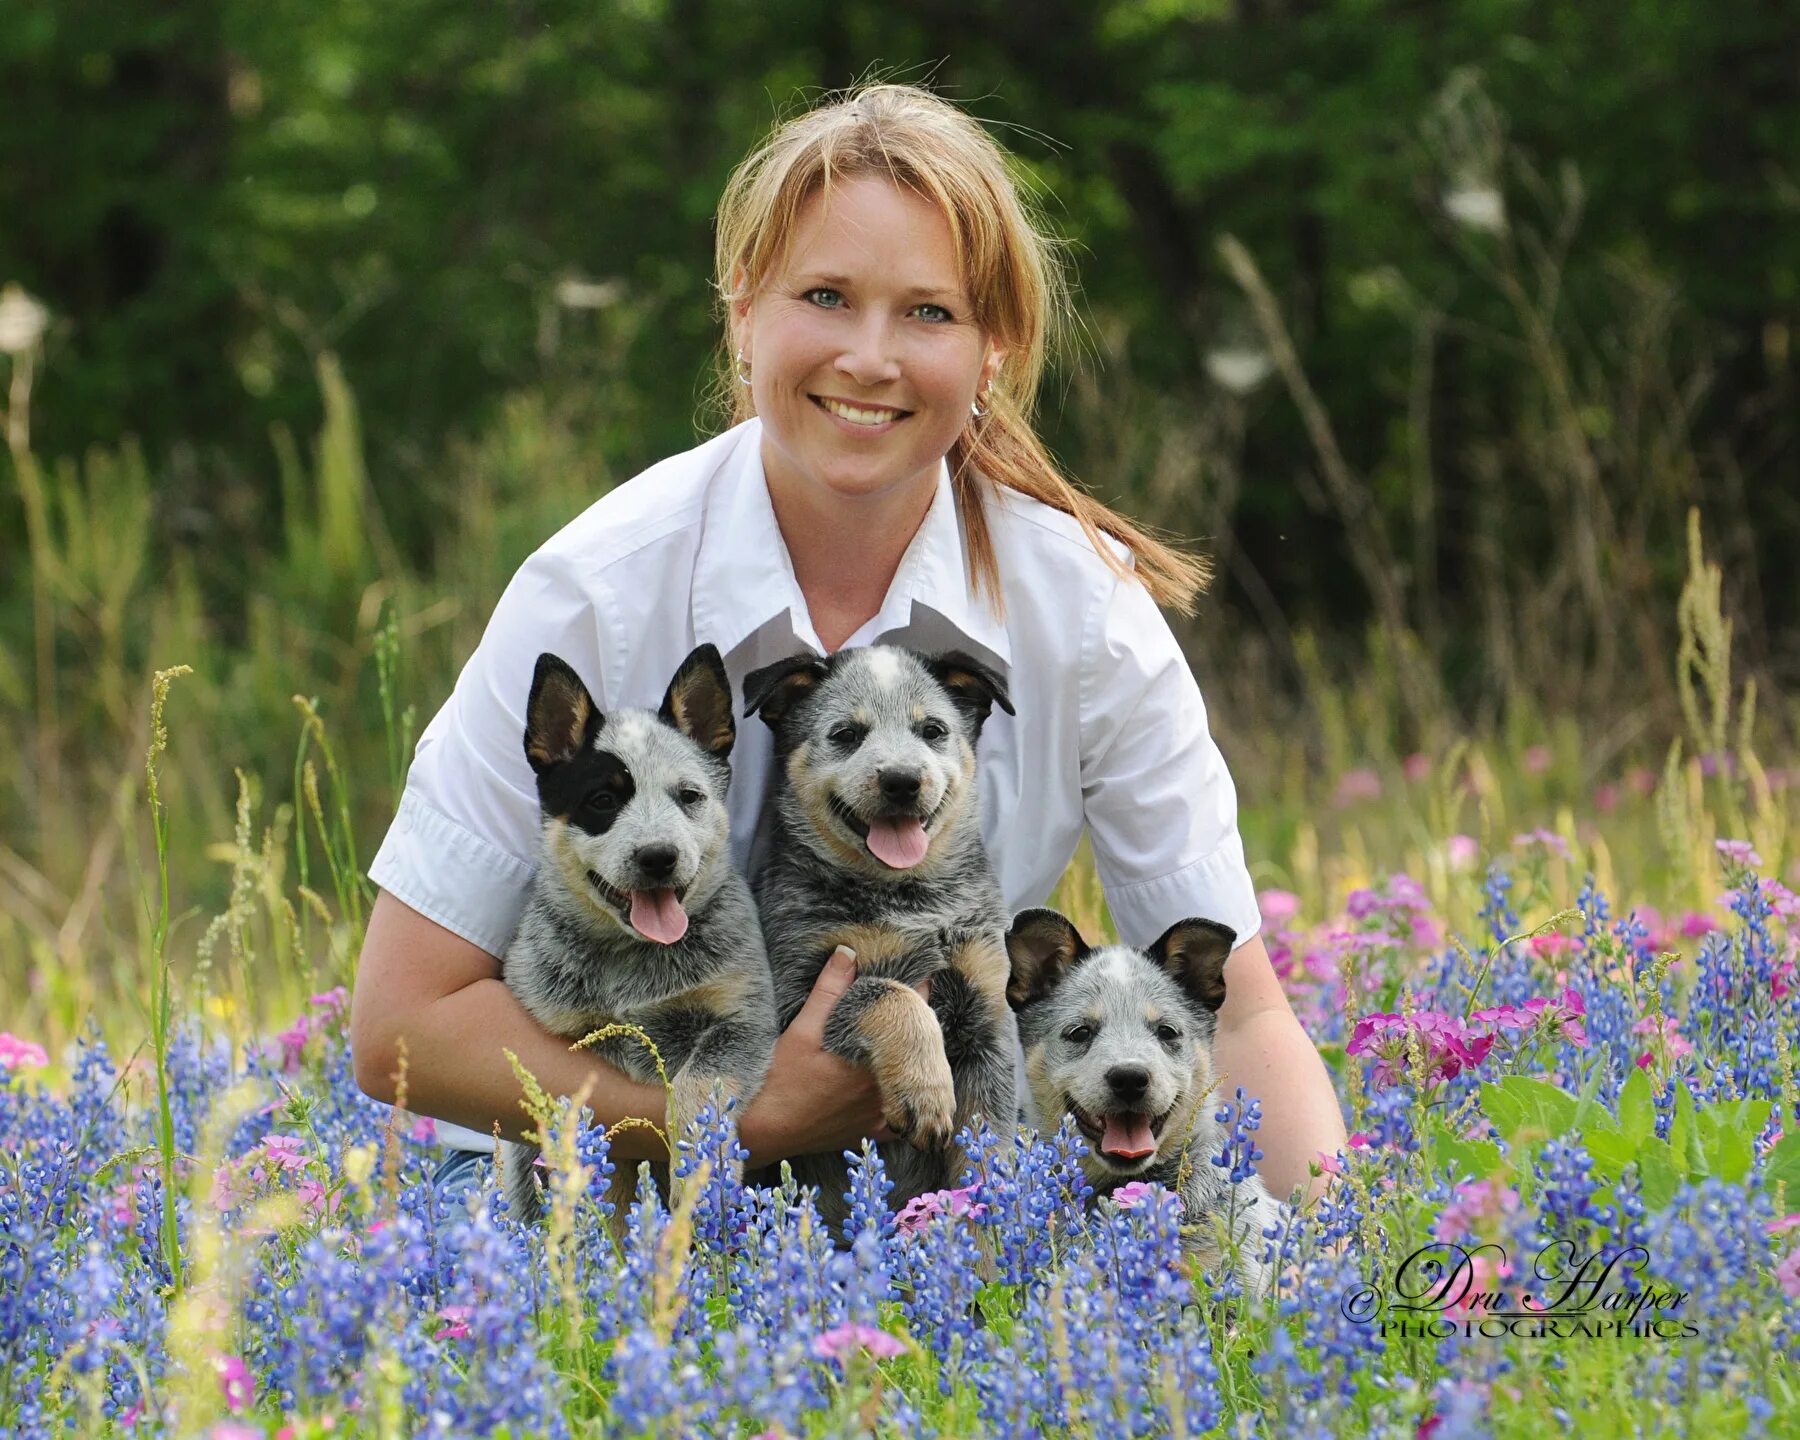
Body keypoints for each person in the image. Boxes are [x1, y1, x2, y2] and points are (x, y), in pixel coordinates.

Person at [349, 82, 1347, 1213]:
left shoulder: (1083, 617)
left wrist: (1347, 1273)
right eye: (825, 295)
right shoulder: (598, 593)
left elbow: (1247, 1015)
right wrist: (743, 1124)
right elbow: (402, 1025)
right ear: (741, 311)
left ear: (995, 353)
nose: (870, 358)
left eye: (929, 313)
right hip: (596, 1188)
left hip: (924, 1194)